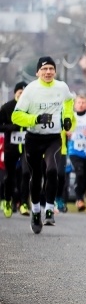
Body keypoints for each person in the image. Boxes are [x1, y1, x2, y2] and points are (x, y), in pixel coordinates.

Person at [11, 57, 75, 233]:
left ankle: (49, 208)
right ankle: (36, 210)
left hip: (53, 138)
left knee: (52, 170)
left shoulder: (61, 87)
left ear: (55, 71)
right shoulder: (31, 90)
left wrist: (68, 119)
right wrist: (35, 119)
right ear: (38, 72)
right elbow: (15, 116)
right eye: (44, 69)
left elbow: (69, 102)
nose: (48, 72)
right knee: (36, 176)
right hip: (34, 138)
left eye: (51, 69)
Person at [0, 82, 27, 217]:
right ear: (15, 93)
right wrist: (12, 127)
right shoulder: (7, 107)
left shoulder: (30, 107)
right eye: (19, 91)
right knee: (9, 176)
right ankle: (7, 200)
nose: (21, 94)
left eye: (24, 92)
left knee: (25, 173)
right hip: (11, 147)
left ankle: (23, 203)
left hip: (26, 146)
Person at [66, 93, 86, 211]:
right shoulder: (71, 117)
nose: (81, 105)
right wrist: (67, 133)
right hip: (74, 150)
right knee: (79, 173)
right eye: (79, 102)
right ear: (75, 105)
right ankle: (79, 199)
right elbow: (64, 130)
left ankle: (81, 194)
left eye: (83, 103)